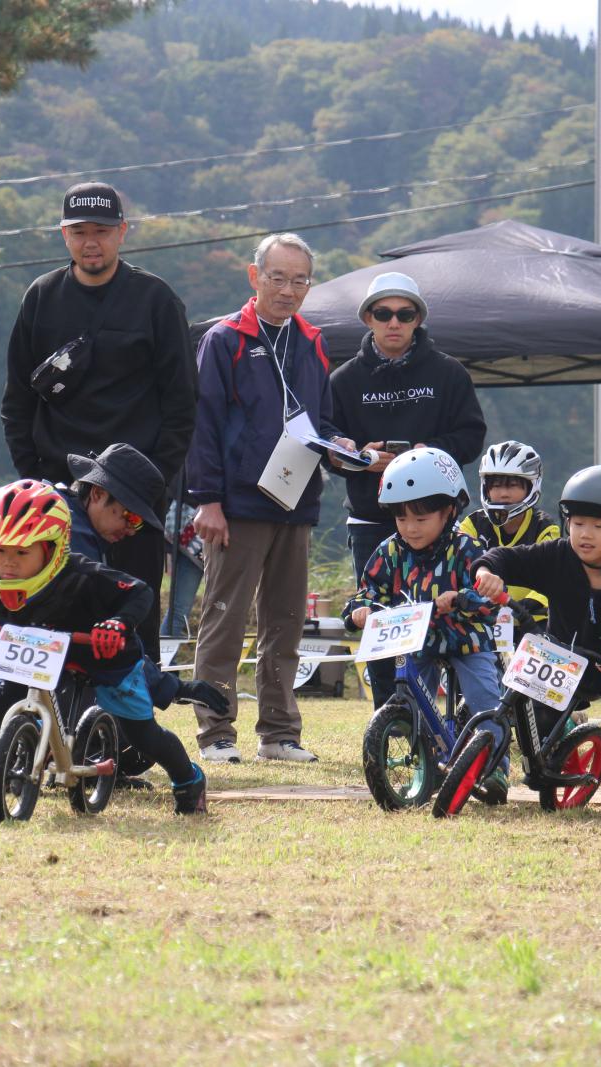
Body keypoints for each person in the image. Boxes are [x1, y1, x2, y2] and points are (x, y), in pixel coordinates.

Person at [0, 445, 226, 782]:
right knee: (132, 750)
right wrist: (169, 687)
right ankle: (35, 749)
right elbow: (98, 641)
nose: (130, 529)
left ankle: (7, 741)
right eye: (128, 515)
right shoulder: (67, 538)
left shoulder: (53, 511)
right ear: (97, 494)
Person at [0, 181, 195, 655]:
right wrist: (36, 484)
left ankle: (132, 727)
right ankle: (49, 725)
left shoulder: (155, 300)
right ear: (63, 234)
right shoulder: (41, 297)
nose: (92, 242)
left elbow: (183, 404)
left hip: (133, 501)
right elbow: (17, 402)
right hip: (57, 493)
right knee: (51, 618)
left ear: (122, 232)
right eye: (80, 231)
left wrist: (151, 488)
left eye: (103, 231)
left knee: (132, 626)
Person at [185, 233, 354, 764]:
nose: (288, 289)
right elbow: (202, 425)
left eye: (299, 279)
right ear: (253, 277)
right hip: (236, 504)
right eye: (277, 277)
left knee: (285, 621)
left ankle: (278, 733)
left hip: (296, 499)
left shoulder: (312, 341)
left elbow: (320, 420)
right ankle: (216, 732)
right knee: (225, 619)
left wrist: (340, 444)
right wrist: (206, 500)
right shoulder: (225, 339)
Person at [473, 465, 601, 816]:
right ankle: (553, 753)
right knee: (533, 715)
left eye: (599, 527)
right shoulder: (558, 556)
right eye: (578, 523)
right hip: (561, 660)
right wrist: (486, 571)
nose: (585, 534)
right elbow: (507, 558)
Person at [328, 271, 486, 708]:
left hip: (439, 522)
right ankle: (392, 717)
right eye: (383, 313)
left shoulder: (449, 373)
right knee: (381, 623)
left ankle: (455, 714)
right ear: (367, 318)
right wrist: (361, 457)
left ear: (418, 319)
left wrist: (428, 454)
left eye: (405, 313)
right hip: (370, 519)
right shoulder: (343, 379)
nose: (394, 322)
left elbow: (472, 436)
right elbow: (328, 445)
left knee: (451, 615)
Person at [342, 447, 501, 719]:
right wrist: (361, 609)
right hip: (418, 642)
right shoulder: (390, 552)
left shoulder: (468, 549)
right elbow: (371, 589)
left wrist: (460, 598)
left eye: (421, 519)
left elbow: (488, 599)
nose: (410, 528)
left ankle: (496, 758)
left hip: (467, 640)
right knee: (411, 703)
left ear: (450, 511)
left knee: (485, 702)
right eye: (401, 518)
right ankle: (422, 751)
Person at [458, 440, 560, 625]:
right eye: (496, 485)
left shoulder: (544, 527)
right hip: (480, 620)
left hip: (529, 621)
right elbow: (456, 568)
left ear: (531, 486)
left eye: (512, 485)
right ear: (486, 487)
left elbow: (552, 578)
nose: (503, 493)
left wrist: (518, 610)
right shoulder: (472, 524)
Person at [160, 499, 204, 639]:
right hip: (193, 541)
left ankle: (166, 656)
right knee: (179, 610)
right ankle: (166, 658)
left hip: (201, 538)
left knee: (179, 610)